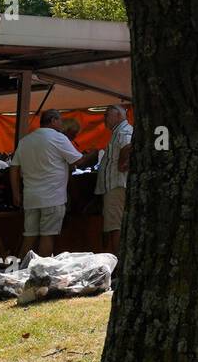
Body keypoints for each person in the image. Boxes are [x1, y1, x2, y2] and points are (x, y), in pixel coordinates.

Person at [9, 108, 82, 258]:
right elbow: (78, 160)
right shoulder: (58, 138)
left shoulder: (25, 141)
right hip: (52, 197)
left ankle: (20, 272)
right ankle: (41, 274)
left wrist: (16, 193)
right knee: (47, 236)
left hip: (31, 197)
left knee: (29, 237)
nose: (61, 124)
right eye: (60, 120)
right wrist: (98, 152)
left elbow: (14, 169)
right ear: (53, 120)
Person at [79, 104, 133, 254]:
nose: (104, 118)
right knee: (114, 226)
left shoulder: (124, 131)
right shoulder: (118, 132)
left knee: (115, 226)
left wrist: (123, 163)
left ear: (118, 115)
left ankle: (117, 264)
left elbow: (128, 147)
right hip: (113, 185)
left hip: (116, 185)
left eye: (107, 115)